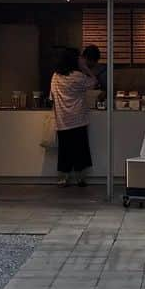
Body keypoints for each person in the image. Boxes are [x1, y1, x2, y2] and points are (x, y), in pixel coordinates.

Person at [49, 47, 99, 187]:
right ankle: (80, 178)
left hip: (62, 120)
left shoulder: (55, 76)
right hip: (78, 120)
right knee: (80, 150)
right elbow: (93, 82)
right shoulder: (78, 76)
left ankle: (63, 178)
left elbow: (52, 96)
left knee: (64, 151)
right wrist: (85, 68)